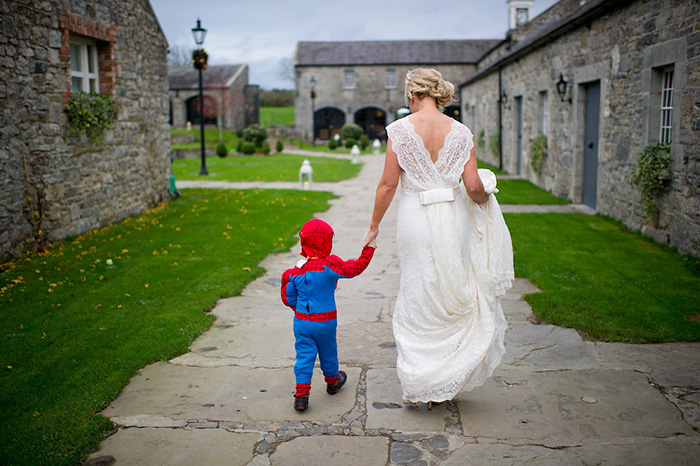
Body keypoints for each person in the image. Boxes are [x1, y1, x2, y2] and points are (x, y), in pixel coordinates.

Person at [364, 69, 514, 405]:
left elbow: (388, 185)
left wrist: (374, 225)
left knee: (418, 289)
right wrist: (486, 200)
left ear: (412, 95)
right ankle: (446, 371)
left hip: (415, 218)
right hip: (453, 217)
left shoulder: (400, 131)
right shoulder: (461, 132)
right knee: (450, 287)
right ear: (438, 93)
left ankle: (420, 378)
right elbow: (473, 187)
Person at [281, 218, 375, 411]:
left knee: (304, 356)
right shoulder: (330, 265)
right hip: (326, 321)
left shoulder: (295, 272)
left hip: (302, 322)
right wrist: (369, 249)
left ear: (304, 242)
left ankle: (301, 396)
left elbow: (288, 298)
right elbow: (355, 268)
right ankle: (332, 382)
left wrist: (299, 310)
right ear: (326, 242)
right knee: (328, 351)